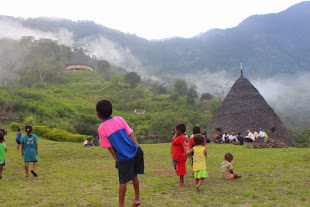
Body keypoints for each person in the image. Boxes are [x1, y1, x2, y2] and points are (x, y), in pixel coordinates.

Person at [96, 99, 144, 207]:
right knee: (134, 175)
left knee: (123, 181)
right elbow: (130, 134)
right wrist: (138, 146)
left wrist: (117, 159)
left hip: (123, 157)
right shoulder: (119, 119)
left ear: (98, 114)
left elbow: (109, 147)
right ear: (111, 111)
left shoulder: (102, 128)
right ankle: (137, 198)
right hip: (134, 151)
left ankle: (121, 205)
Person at [172, 123, 187, 187]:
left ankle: (181, 183)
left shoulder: (179, 138)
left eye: (176, 130)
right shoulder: (184, 138)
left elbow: (173, 142)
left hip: (179, 157)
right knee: (181, 169)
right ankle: (181, 182)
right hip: (183, 156)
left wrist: (175, 135)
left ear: (178, 131)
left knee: (180, 170)